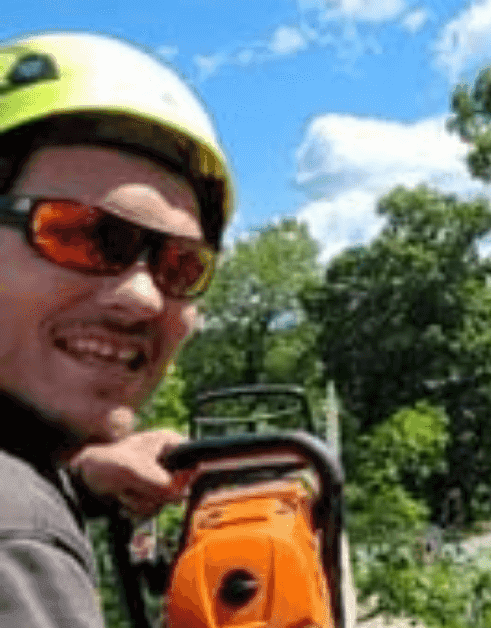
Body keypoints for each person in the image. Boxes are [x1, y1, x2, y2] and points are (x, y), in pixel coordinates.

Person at [0, 31, 234, 626]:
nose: (142, 296)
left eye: (181, 264)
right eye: (78, 234)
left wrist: (74, 480)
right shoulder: (16, 544)